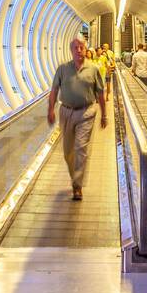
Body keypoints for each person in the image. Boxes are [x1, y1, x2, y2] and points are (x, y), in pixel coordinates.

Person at [48, 36, 109, 201]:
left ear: (85, 49)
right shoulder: (63, 69)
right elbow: (54, 91)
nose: (79, 50)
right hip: (66, 112)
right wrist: (50, 110)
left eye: (81, 47)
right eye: (76, 47)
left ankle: (77, 185)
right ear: (71, 50)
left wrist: (104, 114)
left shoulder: (94, 69)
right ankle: (74, 176)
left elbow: (101, 93)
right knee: (68, 151)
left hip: (86, 111)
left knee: (81, 148)